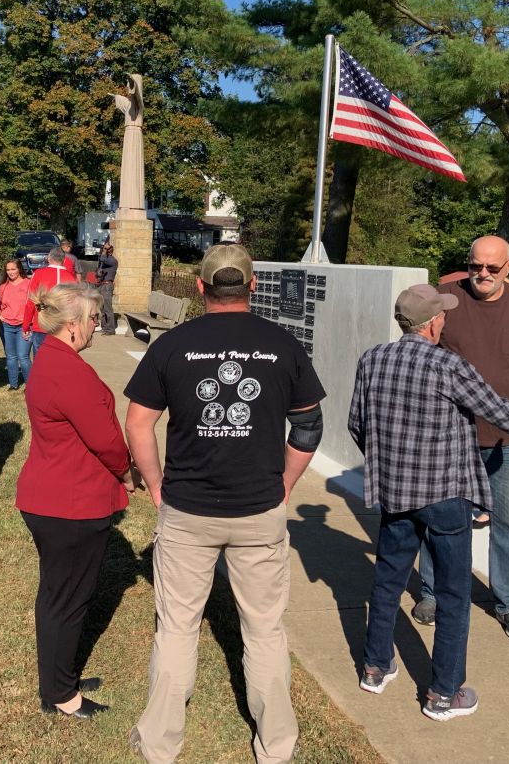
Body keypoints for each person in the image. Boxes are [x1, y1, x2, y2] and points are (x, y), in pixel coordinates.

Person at [125, 244, 325, 764]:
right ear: (253, 286)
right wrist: (284, 484)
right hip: (258, 510)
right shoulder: (283, 344)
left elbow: (139, 422)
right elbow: (308, 426)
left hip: (188, 508)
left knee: (176, 626)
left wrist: (155, 484)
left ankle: (159, 743)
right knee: (263, 629)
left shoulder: (173, 345)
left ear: (200, 287)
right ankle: (277, 746)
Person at [350, 284, 509, 721]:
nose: (447, 318)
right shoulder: (448, 364)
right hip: (445, 495)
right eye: (442, 314)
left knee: (388, 581)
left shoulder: (373, 358)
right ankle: (444, 693)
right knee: (453, 592)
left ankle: (375, 667)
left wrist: (388, 460)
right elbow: (500, 412)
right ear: (431, 323)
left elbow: (357, 423)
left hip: (395, 492)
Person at [413, 235, 509, 642]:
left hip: (505, 439)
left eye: (492, 268)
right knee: (442, 519)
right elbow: (422, 352)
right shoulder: (445, 298)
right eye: (475, 266)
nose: (482, 275)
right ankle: (433, 592)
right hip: (448, 434)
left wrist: (502, 396)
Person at [16, 283, 135, 718]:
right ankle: (61, 696)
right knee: (67, 600)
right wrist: (127, 471)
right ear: (71, 326)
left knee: (57, 596)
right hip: (70, 503)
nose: (95, 328)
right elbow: (104, 438)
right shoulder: (67, 370)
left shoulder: (52, 358)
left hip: (54, 496)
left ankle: (58, 678)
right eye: (91, 320)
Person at [23, 248, 73, 354]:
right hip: (62, 327)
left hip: (41, 325)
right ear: (63, 260)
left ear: (49, 259)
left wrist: (26, 325)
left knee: (40, 362)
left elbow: (30, 301)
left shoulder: (39, 274)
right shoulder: (71, 278)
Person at [0, 259, 33, 390]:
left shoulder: (28, 283)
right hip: (8, 326)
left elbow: (33, 304)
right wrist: (0, 315)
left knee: (23, 356)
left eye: (13, 269)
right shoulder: (3, 286)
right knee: (11, 357)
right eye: (8, 270)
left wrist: (29, 323)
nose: (10, 272)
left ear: (19, 269)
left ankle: (30, 385)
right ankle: (13, 384)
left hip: (24, 326)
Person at [96, 241, 118, 335]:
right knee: (102, 308)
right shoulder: (104, 261)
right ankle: (104, 327)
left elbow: (102, 258)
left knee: (108, 308)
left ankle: (110, 329)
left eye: (105, 250)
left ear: (110, 252)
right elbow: (100, 260)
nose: (103, 251)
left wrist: (105, 250)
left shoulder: (112, 260)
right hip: (102, 285)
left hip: (107, 286)